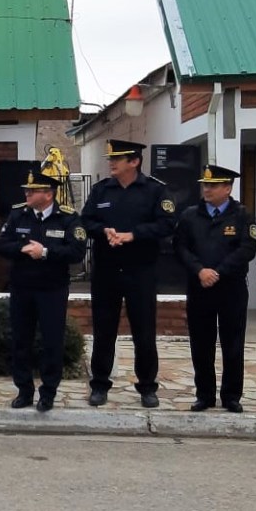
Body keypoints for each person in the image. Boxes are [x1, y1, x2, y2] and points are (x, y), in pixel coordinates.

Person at [81, 140, 176, 408]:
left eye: (118, 159)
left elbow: (167, 224)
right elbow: (86, 220)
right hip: (107, 270)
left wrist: (134, 235)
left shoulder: (155, 190)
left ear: (134, 162)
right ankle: (100, 385)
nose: (111, 163)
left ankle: (147, 387)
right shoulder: (101, 190)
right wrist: (104, 232)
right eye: (111, 158)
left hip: (140, 270)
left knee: (144, 331)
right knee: (103, 330)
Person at [0, 169, 85, 412]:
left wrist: (45, 252)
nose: (27, 193)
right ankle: (24, 391)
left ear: (48, 194)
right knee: (20, 341)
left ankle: (48, 393)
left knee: (52, 342)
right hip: (22, 288)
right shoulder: (18, 215)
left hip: (52, 290)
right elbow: (1, 245)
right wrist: (22, 248)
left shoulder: (67, 218)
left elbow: (77, 252)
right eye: (27, 190)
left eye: (32, 191)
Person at [173, 165, 256, 413]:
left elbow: (246, 249)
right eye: (205, 185)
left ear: (227, 188)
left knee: (233, 343)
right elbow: (180, 247)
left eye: (213, 185)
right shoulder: (190, 215)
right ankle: (204, 394)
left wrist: (218, 272)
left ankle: (231, 395)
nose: (207, 189)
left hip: (231, 288)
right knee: (201, 344)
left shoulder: (242, 215)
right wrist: (200, 270)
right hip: (200, 287)